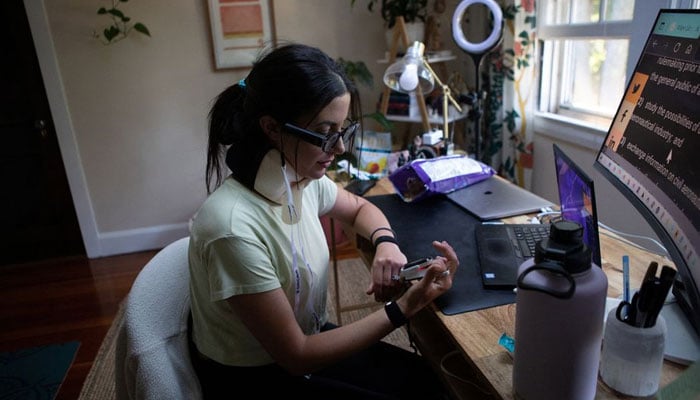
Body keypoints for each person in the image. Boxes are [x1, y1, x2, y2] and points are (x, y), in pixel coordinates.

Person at [187, 42, 460, 399]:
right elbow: (297, 357)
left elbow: (362, 209)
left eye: (343, 130)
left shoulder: (299, 179)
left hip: (304, 340)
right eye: (326, 132)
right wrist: (405, 306)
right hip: (254, 378)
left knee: (430, 381)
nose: (340, 148)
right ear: (272, 128)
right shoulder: (232, 228)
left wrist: (385, 243)